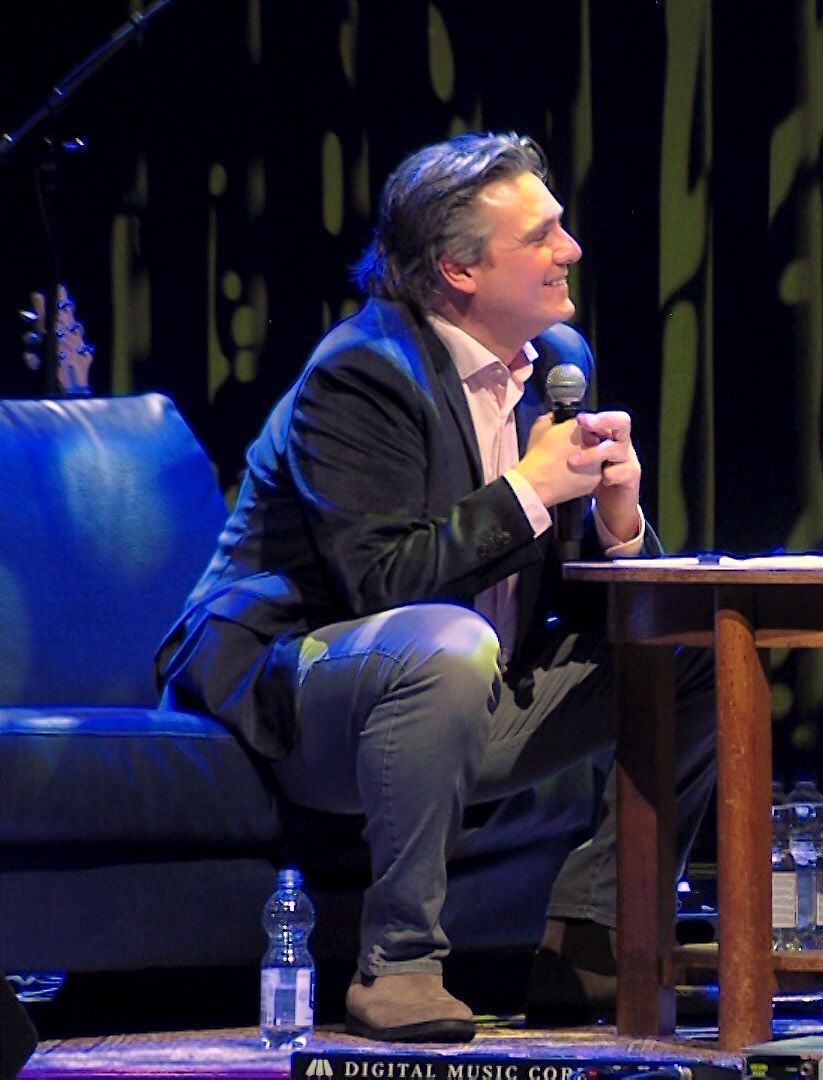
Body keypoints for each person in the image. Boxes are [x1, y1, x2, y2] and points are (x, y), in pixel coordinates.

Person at [155, 132, 717, 1042]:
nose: (569, 251)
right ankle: (399, 967)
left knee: (692, 645)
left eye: (561, 229)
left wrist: (621, 523)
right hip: (305, 694)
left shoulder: (554, 358)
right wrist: (530, 489)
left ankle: (598, 942)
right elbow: (379, 582)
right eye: (541, 236)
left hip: (465, 693)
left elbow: (562, 587)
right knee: (449, 644)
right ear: (459, 269)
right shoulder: (360, 373)